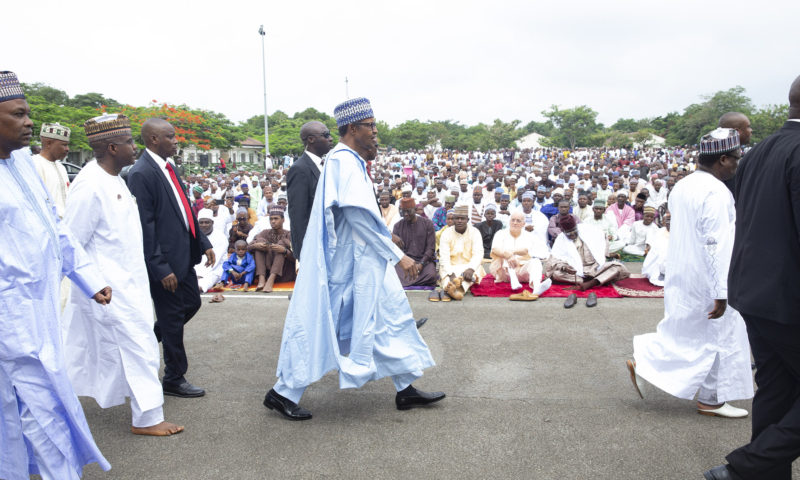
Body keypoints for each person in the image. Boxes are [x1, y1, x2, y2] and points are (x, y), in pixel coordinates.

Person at [264, 97, 444, 421]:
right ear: (352, 128)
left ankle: (406, 388)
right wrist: (399, 256)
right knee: (321, 325)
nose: (375, 132)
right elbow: (358, 218)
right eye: (370, 126)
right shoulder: (343, 161)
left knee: (392, 318)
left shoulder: (351, 160)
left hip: (368, 261)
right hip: (348, 266)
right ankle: (282, 392)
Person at [0, 71, 112, 480]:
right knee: (42, 406)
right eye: (19, 114)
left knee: (23, 409)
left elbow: (55, 227)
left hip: (37, 305)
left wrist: (87, 276)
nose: (29, 121)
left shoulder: (22, 165)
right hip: (11, 317)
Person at [62, 113, 183, 437]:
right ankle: (147, 419)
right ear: (112, 147)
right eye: (129, 142)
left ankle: (57, 401)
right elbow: (70, 240)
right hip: (110, 288)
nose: (135, 146)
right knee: (140, 348)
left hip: (132, 283)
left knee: (128, 349)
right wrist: (90, 283)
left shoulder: (116, 179)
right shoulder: (89, 184)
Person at [629, 129, 752, 441]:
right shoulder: (716, 192)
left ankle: (710, 399)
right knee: (718, 336)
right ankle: (702, 394)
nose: (737, 164)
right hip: (708, 278)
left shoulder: (683, 185)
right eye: (736, 159)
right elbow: (716, 244)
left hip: (684, 272)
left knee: (691, 335)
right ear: (723, 159)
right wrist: (721, 292)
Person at [705, 77, 800, 480]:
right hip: (789, 298)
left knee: (778, 391)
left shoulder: (759, 150)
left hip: (756, 292)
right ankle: (747, 467)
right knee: (778, 388)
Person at [127, 118, 215, 399]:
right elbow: (146, 225)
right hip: (164, 263)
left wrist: (203, 242)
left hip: (183, 256)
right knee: (173, 318)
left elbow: (185, 208)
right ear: (153, 140)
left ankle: (153, 336)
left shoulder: (169, 167)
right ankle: (174, 377)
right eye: (171, 136)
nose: (176, 141)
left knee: (191, 304)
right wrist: (159, 267)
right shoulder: (142, 173)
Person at [545, 216, 630, 308]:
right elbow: (553, 260)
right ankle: (597, 280)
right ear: (563, 232)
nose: (572, 234)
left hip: (595, 268)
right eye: (569, 233)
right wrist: (565, 267)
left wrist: (603, 256)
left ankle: (590, 283)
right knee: (556, 274)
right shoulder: (560, 240)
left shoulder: (589, 231)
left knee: (618, 267)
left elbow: (603, 238)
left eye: (574, 231)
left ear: (576, 227)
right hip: (575, 272)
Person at [288, 121, 333, 261]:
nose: (331, 138)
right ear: (311, 139)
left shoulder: (323, 164)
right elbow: (298, 215)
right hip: (312, 245)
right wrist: (304, 252)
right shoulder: (299, 169)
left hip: (326, 241)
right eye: (326, 135)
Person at [490, 211, 552, 301]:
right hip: (503, 272)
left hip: (522, 272)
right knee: (505, 257)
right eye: (513, 220)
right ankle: (514, 280)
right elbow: (495, 249)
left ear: (523, 224)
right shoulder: (500, 233)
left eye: (518, 221)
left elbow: (525, 250)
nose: (515, 223)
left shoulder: (529, 236)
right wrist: (508, 255)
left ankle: (537, 287)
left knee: (536, 261)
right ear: (509, 221)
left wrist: (511, 253)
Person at [439, 204, 485, 300]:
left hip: (469, 266)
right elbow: (444, 257)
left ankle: (453, 290)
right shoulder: (446, 233)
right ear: (453, 219)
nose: (459, 221)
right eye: (457, 218)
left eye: (462, 218)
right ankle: (455, 288)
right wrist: (451, 274)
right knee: (445, 271)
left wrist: (471, 269)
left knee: (476, 271)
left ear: (467, 220)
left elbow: (478, 254)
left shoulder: (475, 232)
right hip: (451, 266)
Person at [248, 205, 296, 292]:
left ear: (283, 220)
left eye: (276, 219)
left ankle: (271, 280)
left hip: (283, 273)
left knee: (282, 243)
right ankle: (261, 279)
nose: (273, 221)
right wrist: (256, 246)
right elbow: (248, 247)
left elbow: (297, 258)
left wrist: (285, 251)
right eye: (271, 219)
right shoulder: (264, 232)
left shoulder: (289, 234)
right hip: (266, 270)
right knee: (259, 241)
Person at [32, 122, 71, 219]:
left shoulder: (61, 166)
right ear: (49, 143)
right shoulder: (34, 164)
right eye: (64, 145)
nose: (67, 149)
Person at [195, 209, 228, 292]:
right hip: (196, 268)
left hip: (213, 269)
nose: (204, 225)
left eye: (207, 222)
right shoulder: (194, 235)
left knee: (201, 285)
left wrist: (199, 275)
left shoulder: (220, 237)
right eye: (201, 222)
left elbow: (214, 261)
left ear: (212, 223)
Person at [641, 212, 670, 286]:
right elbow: (653, 245)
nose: (668, 222)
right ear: (663, 222)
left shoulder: (679, 232)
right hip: (658, 259)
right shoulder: (660, 231)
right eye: (666, 220)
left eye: (670, 220)